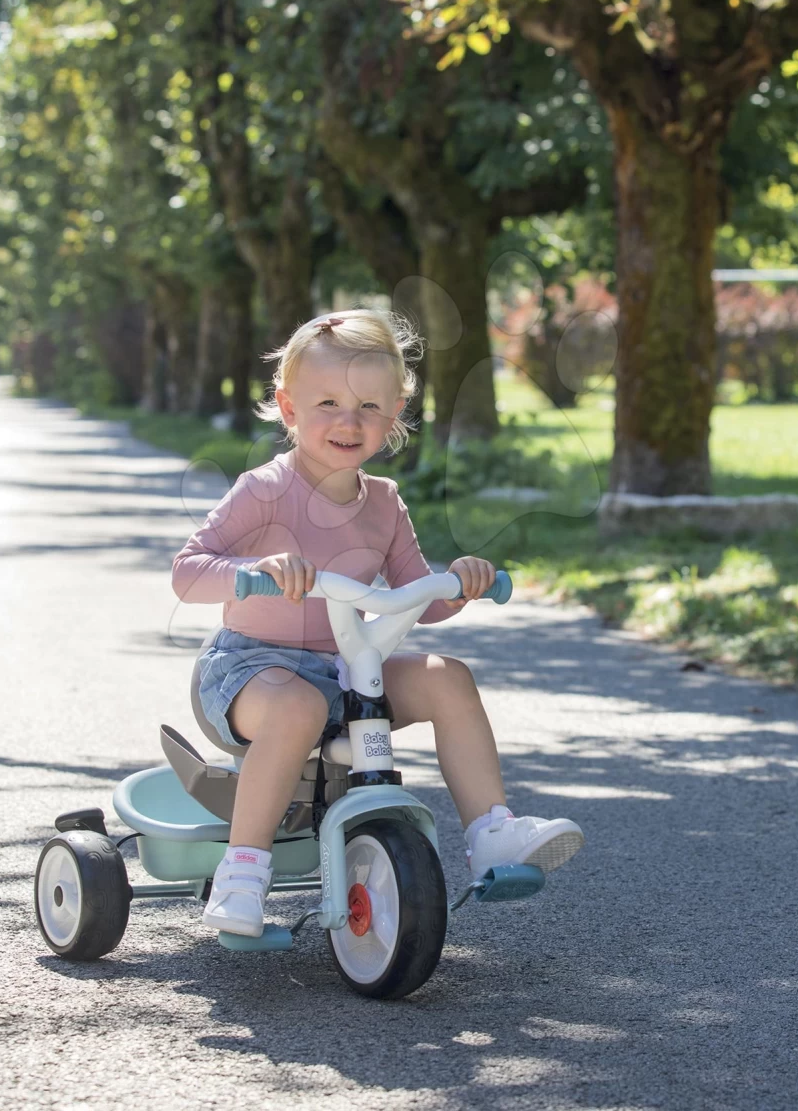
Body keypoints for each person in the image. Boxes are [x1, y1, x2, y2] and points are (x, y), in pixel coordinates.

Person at [171, 310, 583, 938]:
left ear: (394, 418)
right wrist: (254, 570)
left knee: (448, 677)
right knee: (297, 709)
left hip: (346, 667)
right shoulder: (264, 491)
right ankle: (244, 868)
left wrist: (461, 581)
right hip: (250, 671)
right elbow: (187, 572)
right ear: (288, 407)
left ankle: (491, 832)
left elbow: (422, 597)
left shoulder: (385, 501)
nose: (348, 420)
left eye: (368, 406)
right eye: (328, 402)